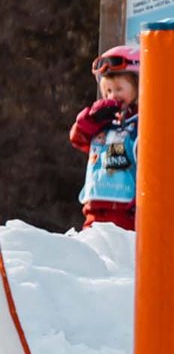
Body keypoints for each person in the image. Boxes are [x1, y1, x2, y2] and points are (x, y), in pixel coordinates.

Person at [70, 45, 140, 230]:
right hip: (94, 208)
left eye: (119, 89)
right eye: (108, 91)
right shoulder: (103, 121)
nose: (113, 96)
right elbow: (78, 138)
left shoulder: (143, 123)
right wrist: (92, 117)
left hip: (126, 212)